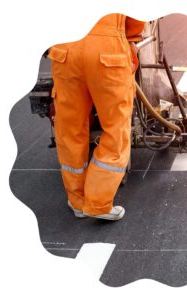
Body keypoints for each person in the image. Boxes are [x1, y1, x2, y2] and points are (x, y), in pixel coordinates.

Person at [47, 14, 145, 221]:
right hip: (108, 52)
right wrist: (131, 39)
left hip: (66, 50)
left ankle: (78, 202)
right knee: (116, 128)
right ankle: (98, 203)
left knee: (69, 129)